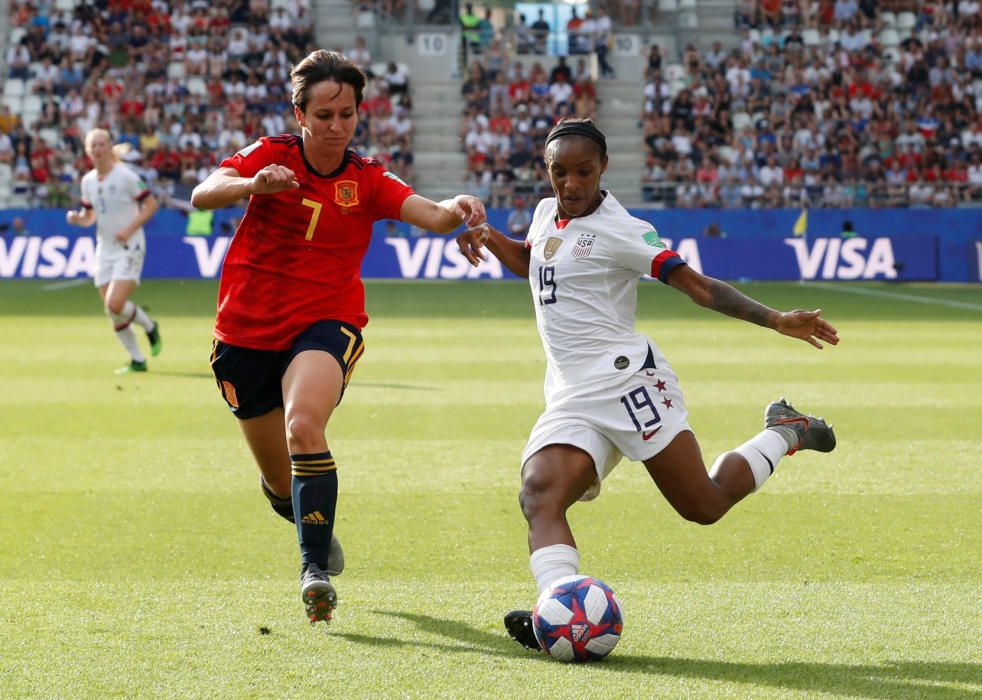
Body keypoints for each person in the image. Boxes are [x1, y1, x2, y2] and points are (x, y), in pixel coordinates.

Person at [454, 119, 839, 651]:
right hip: (570, 394)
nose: (570, 184)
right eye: (559, 172)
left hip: (626, 384)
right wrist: (488, 236)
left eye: (583, 172)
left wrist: (775, 319)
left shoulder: (623, 230)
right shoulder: (547, 214)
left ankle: (786, 431)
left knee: (702, 504)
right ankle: (557, 612)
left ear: (603, 168)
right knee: (539, 494)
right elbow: (536, 262)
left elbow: (699, 288)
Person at [190, 50, 486, 625]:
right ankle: (303, 514)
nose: (336, 127)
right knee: (279, 481)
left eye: (347, 114)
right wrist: (254, 184)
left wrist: (460, 208)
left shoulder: (366, 177)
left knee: (305, 425)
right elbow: (205, 193)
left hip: (325, 321)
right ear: (299, 113)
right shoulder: (271, 154)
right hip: (245, 330)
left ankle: (312, 569)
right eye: (324, 115)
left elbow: (430, 213)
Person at [66, 129, 162, 375]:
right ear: (88, 151)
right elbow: (90, 218)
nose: (97, 149)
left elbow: (151, 205)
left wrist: (129, 229)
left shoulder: (125, 176)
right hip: (105, 248)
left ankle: (149, 325)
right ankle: (137, 359)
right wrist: (78, 220)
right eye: (93, 146)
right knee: (112, 310)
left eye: (101, 144)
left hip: (130, 246)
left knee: (115, 302)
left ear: (109, 147)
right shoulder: (87, 181)